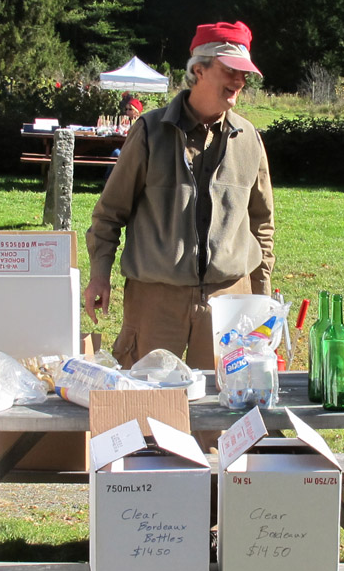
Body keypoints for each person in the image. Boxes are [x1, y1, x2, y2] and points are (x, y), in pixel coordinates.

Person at [84, 20, 275, 370]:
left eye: (244, 74)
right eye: (230, 70)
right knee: (147, 409)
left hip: (230, 300)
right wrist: (99, 274)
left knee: (222, 413)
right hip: (156, 298)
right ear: (198, 70)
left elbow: (262, 223)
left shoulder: (249, 139)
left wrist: (261, 295)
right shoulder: (149, 132)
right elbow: (109, 214)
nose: (239, 81)